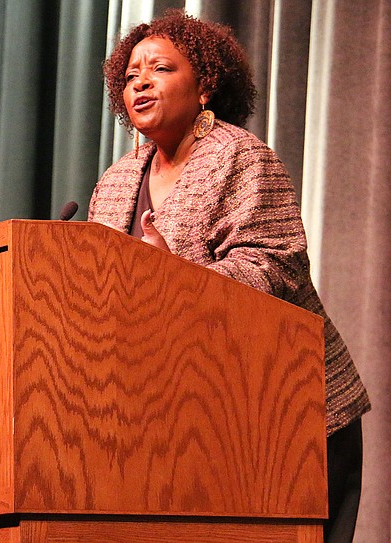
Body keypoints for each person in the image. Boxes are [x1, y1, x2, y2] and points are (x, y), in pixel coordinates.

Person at [88, 10, 371, 543]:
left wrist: (174, 276)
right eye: (130, 76)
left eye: (161, 69)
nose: (141, 82)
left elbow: (272, 268)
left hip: (291, 415)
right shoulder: (118, 180)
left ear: (205, 86)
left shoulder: (244, 158)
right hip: (185, 418)